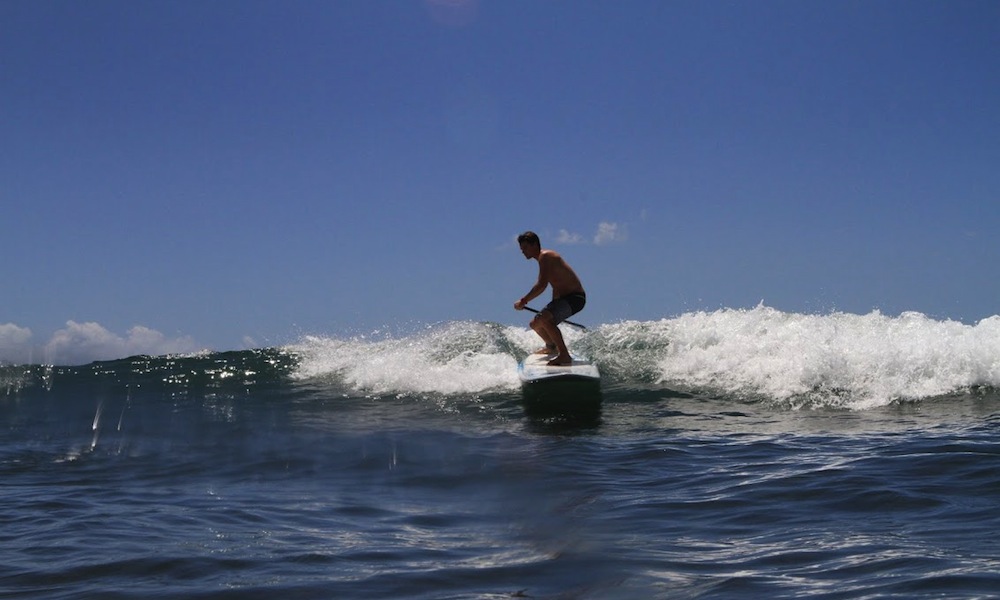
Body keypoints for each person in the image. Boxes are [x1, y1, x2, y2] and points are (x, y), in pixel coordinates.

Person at [513, 231, 587, 366]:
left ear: (535, 244)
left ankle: (564, 355)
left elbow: (541, 285)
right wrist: (553, 306)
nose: (523, 251)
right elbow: (555, 285)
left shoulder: (546, 256)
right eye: (522, 249)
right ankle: (552, 346)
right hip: (564, 299)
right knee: (535, 324)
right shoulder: (543, 259)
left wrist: (523, 301)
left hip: (575, 298)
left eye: (525, 248)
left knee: (544, 319)